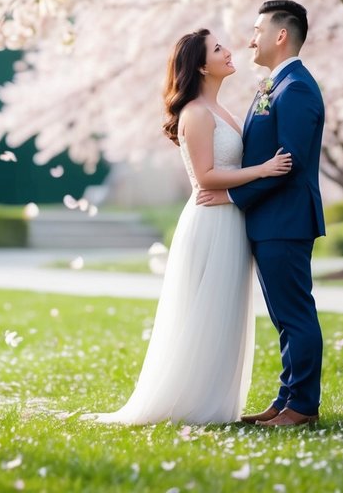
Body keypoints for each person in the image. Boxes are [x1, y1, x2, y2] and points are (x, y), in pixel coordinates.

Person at [89, 29, 292, 425]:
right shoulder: (197, 113)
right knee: (205, 312)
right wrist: (264, 170)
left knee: (224, 313)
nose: (229, 51)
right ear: (201, 65)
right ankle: (192, 404)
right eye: (218, 49)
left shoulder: (221, 110)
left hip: (230, 218)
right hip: (211, 220)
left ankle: (214, 402)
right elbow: (206, 177)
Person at [197, 0, 326, 427]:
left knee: (295, 315)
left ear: (280, 35)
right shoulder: (275, 85)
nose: (250, 39)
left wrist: (235, 198)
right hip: (271, 221)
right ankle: (286, 399)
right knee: (285, 318)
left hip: (286, 219)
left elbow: (290, 162)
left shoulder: (298, 88)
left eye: (256, 30)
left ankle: (303, 406)